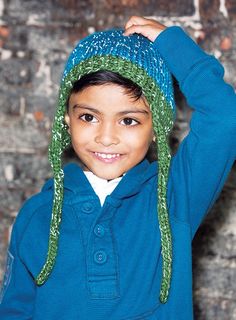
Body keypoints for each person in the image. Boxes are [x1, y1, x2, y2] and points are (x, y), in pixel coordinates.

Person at [0, 15, 235, 320]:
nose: (106, 137)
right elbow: (14, 311)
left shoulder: (173, 200)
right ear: (67, 120)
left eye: (128, 120)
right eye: (89, 117)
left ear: (157, 127)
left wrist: (172, 43)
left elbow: (225, 116)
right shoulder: (36, 215)